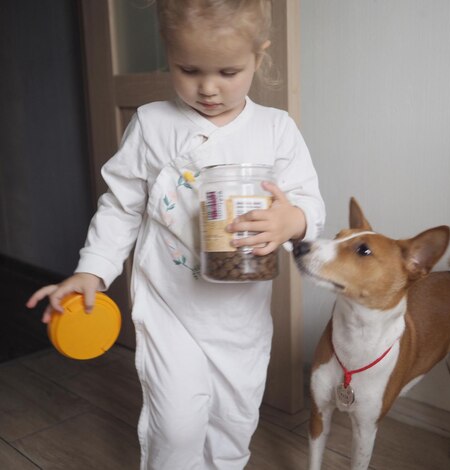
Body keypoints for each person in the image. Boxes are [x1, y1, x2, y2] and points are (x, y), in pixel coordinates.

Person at [26, 0, 325, 468]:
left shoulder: (276, 130)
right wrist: (93, 272)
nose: (208, 88)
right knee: (178, 426)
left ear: (259, 56)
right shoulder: (152, 125)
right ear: (169, 53)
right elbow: (121, 206)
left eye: (228, 71)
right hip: (170, 309)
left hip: (240, 317)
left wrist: (293, 221)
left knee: (234, 421)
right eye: (189, 70)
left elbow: (310, 204)